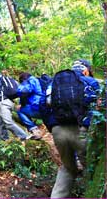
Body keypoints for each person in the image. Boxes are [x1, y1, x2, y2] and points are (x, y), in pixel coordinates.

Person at [49, 60, 100, 198]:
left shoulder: (55, 83)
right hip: (80, 130)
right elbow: (101, 107)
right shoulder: (91, 82)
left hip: (58, 130)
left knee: (68, 168)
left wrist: (52, 126)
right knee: (92, 168)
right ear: (86, 70)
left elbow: (44, 104)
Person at [0, 71, 29, 141]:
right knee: (1, 123)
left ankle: (24, 136)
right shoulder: (1, 77)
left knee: (8, 123)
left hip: (3, 102)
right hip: (8, 101)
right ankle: (5, 139)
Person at [16, 72, 44, 140]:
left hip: (39, 109)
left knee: (19, 110)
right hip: (47, 108)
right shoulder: (38, 81)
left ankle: (34, 130)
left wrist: (21, 104)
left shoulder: (29, 81)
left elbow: (24, 92)